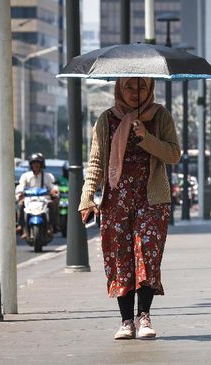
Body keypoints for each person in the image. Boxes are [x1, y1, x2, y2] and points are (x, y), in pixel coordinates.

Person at [78, 77, 181, 340]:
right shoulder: (106, 119)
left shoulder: (159, 116)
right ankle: (126, 322)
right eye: (130, 87)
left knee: (147, 256)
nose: (136, 93)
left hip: (152, 200)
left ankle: (144, 316)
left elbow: (173, 154)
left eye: (142, 87)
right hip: (116, 200)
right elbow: (96, 162)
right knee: (120, 258)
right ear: (120, 89)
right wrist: (87, 196)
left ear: (150, 89)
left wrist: (145, 137)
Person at [15, 153, 59, 238]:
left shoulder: (48, 176)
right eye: (33, 163)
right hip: (29, 200)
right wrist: (20, 192)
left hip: (44, 200)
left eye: (38, 163)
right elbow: (20, 186)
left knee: (53, 204)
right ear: (30, 164)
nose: (36, 165)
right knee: (20, 204)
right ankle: (22, 227)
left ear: (41, 164)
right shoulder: (25, 176)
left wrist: (54, 191)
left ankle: (51, 226)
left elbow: (54, 187)